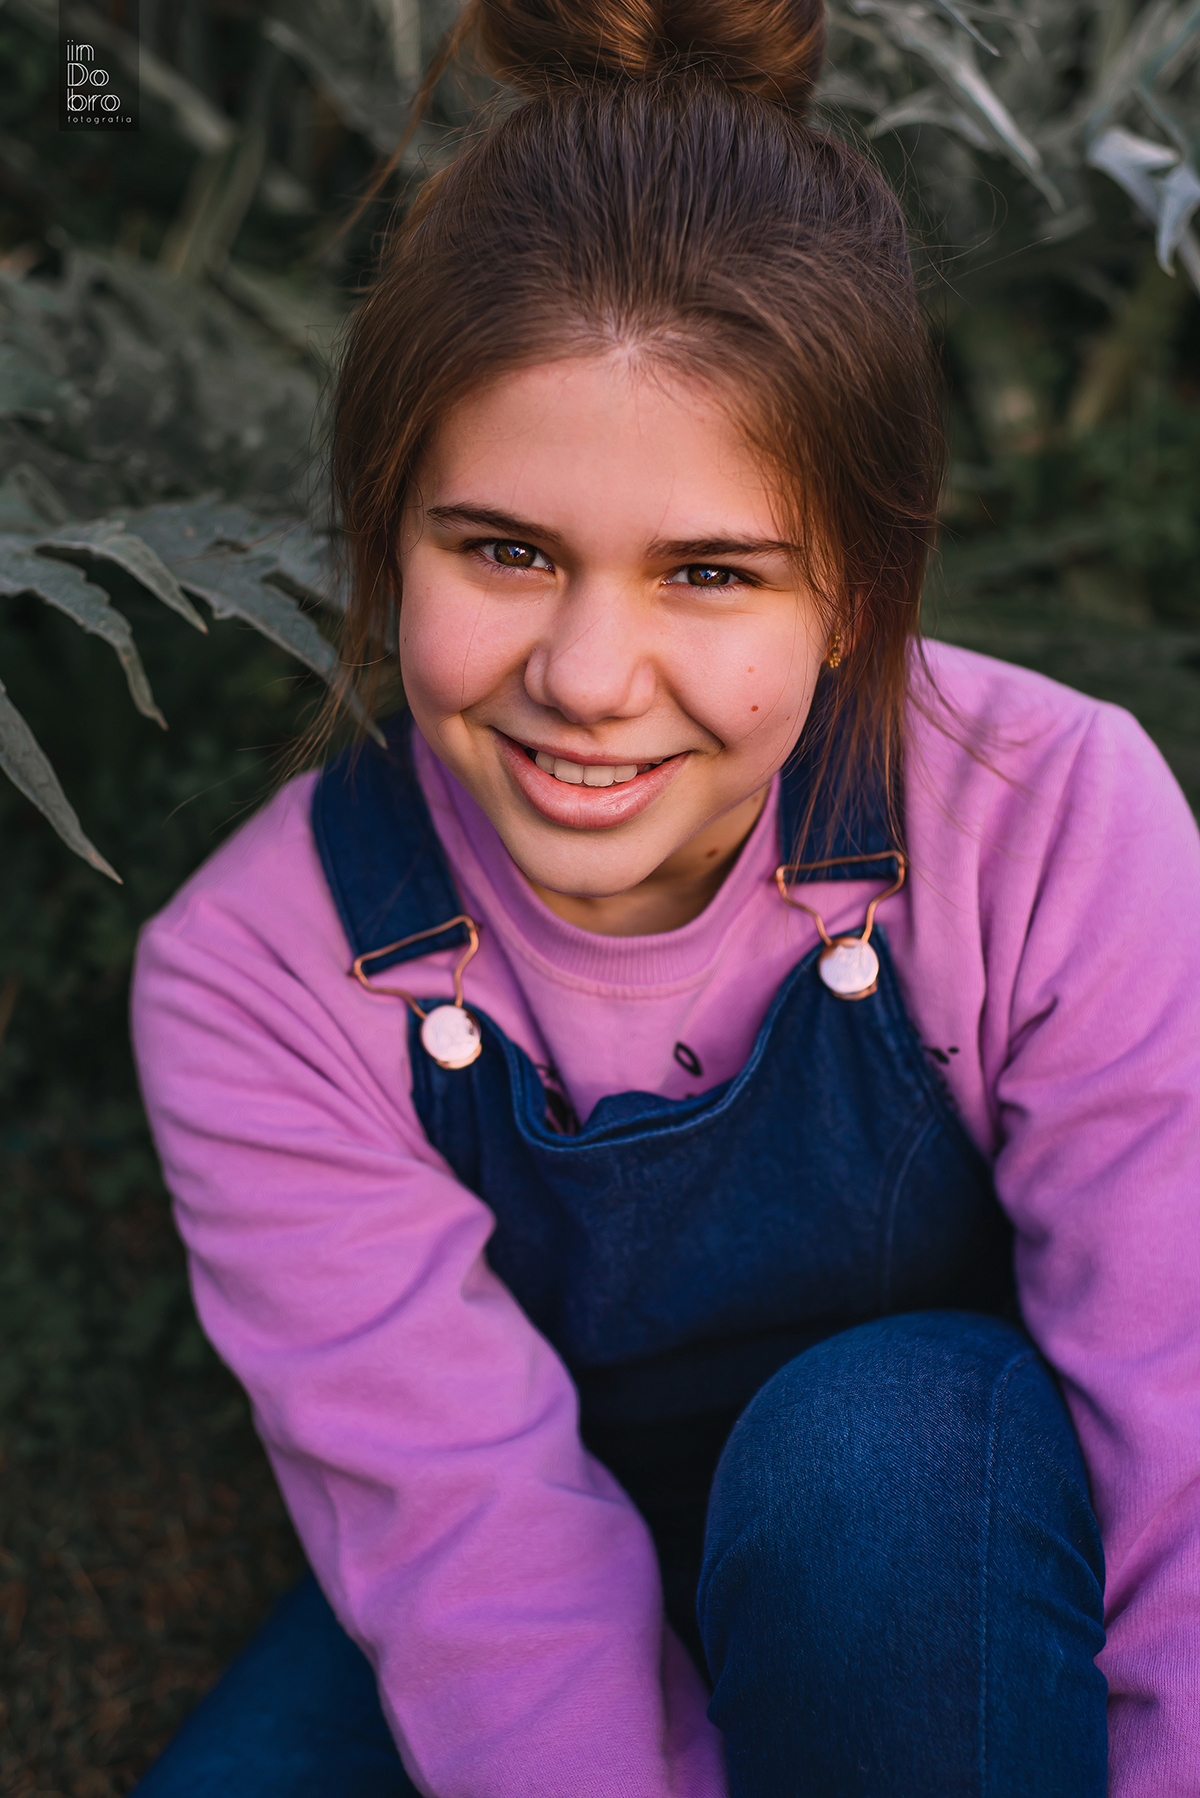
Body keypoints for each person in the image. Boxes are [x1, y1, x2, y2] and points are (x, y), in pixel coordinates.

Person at [129, 1, 1200, 1792]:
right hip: (544, 1543)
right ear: (387, 528)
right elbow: (479, 1546)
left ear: (855, 593)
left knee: (873, 1449)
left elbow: (1178, 1435)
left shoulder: (1049, 816)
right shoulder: (256, 972)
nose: (592, 673)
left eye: (710, 570)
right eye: (504, 550)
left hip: (947, 1541)